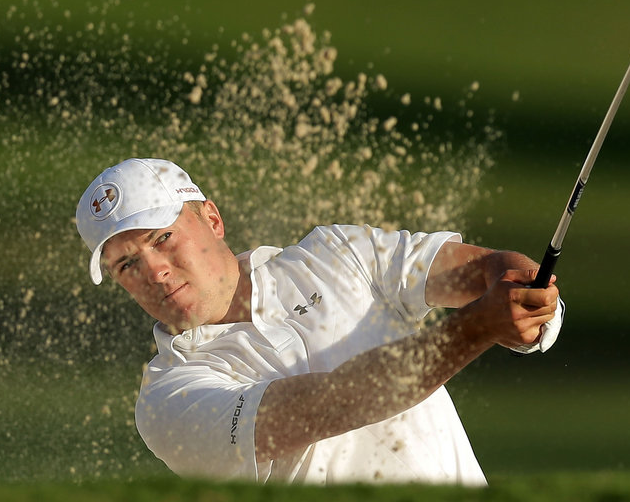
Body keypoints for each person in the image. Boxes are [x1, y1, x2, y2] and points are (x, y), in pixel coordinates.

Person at [76, 157, 564, 485]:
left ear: (212, 218)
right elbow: (334, 404)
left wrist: (525, 300)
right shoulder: (169, 398)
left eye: (162, 237)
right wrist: (476, 328)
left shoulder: (337, 253)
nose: (154, 271)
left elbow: (484, 269)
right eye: (126, 264)